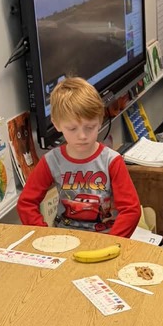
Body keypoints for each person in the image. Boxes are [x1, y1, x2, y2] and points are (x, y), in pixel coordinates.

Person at [17, 77, 141, 237]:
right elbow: (26, 203)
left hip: (105, 238)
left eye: (90, 127)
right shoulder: (51, 160)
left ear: (100, 119)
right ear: (56, 123)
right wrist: (44, 236)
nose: (82, 136)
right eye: (72, 128)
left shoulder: (112, 161)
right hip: (64, 239)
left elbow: (131, 210)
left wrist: (112, 242)